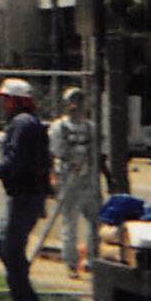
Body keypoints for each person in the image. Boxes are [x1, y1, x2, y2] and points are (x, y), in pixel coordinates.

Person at [0, 77, 51, 301]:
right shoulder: (26, 123)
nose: (3, 103)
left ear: (17, 101)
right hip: (25, 195)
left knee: (9, 249)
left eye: (6, 99)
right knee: (7, 248)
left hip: (24, 196)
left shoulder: (22, 124)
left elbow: (15, 160)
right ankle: (24, 296)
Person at [48, 86, 99, 279]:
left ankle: (92, 260)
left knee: (95, 220)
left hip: (88, 180)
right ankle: (71, 263)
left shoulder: (91, 128)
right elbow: (54, 154)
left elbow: (97, 155)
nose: (75, 106)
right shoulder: (59, 127)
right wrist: (53, 178)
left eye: (79, 101)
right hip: (67, 179)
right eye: (72, 101)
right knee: (70, 222)